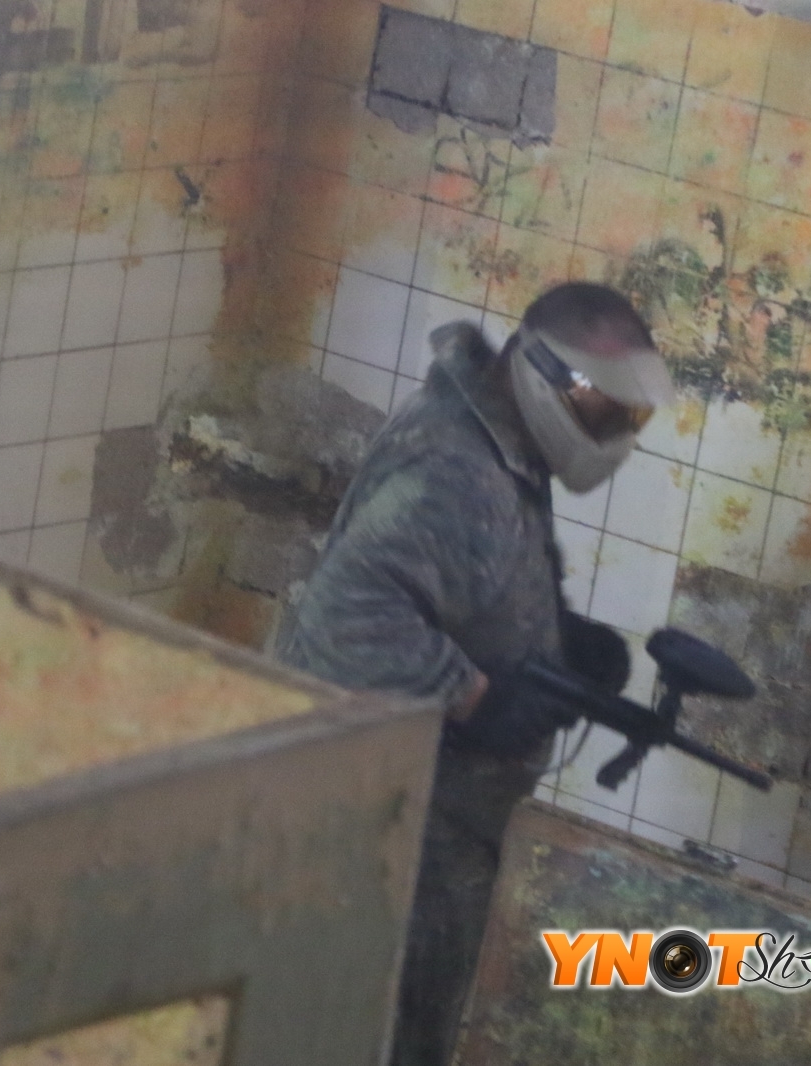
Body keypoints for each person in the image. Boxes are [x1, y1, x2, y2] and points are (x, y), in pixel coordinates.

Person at [271, 282, 677, 1066]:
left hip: (424, 816)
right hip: (391, 824)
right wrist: (474, 698)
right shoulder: (458, 468)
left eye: (628, 421)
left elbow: (456, 584)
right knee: (383, 1035)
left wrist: (556, 639)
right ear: (542, 372)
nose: (613, 437)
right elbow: (348, 615)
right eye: (604, 413)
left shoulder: (496, 439)